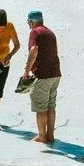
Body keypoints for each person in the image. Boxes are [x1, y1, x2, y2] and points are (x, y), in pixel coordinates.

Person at [20, 9, 61, 146]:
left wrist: (26, 72)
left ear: (31, 22)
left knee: (41, 108)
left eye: (28, 22)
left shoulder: (35, 32)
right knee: (51, 106)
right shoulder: (50, 32)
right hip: (55, 74)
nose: (28, 25)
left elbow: (33, 50)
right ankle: (50, 135)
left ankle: (42, 136)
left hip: (42, 75)